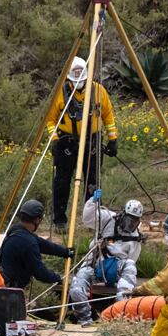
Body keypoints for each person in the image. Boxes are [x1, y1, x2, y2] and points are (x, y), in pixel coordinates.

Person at [43, 56, 119, 226]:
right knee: (62, 181)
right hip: (66, 143)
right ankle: (60, 219)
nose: (79, 83)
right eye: (75, 80)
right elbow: (50, 120)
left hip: (92, 142)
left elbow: (107, 115)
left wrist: (113, 139)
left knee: (93, 181)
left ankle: (92, 217)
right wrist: (55, 140)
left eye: (82, 80)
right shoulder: (60, 94)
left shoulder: (98, 91)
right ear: (68, 78)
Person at [68, 189, 143, 326]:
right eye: (128, 220)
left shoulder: (136, 238)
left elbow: (132, 259)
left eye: (134, 222)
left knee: (130, 266)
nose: (130, 225)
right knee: (76, 289)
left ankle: (120, 314)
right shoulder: (108, 219)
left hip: (116, 269)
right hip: (96, 264)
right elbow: (88, 219)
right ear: (123, 214)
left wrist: (117, 277)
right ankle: (85, 319)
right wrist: (93, 202)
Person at [0, 199, 75, 290]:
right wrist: (59, 279)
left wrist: (66, 252)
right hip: (8, 290)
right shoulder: (28, 242)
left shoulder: (16, 230)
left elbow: (44, 245)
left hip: (0, 282)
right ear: (37, 220)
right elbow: (40, 273)